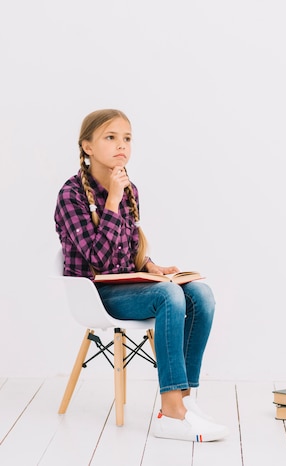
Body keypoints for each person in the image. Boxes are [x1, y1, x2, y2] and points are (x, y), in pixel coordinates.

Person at [54, 108, 228, 442]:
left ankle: (185, 402)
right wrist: (114, 201)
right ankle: (171, 411)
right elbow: (101, 260)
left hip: (127, 284)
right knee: (169, 296)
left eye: (127, 138)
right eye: (110, 137)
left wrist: (150, 266)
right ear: (87, 146)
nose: (122, 145)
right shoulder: (71, 194)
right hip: (96, 293)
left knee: (200, 294)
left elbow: (129, 247)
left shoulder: (129, 188)